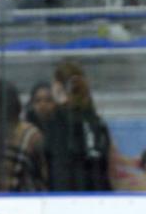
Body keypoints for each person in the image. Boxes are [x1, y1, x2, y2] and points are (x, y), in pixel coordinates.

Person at [46, 60, 113, 191]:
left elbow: (57, 164)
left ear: (58, 87)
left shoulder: (58, 121)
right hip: (99, 195)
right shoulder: (96, 121)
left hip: (67, 196)